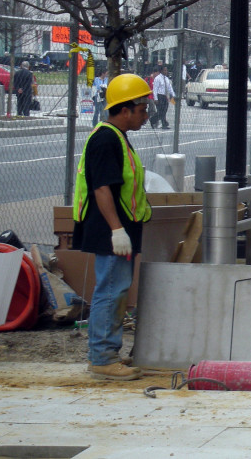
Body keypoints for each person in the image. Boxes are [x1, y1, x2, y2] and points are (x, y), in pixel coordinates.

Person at [72, 73, 152, 381]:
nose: (146, 116)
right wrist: (117, 230)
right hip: (111, 231)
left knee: (115, 289)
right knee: (110, 290)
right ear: (124, 109)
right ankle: (103, 358)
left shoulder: (116, 136)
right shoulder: (106, 139)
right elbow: (102, 188)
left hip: (119, 231)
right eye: (142, 109)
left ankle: (106, 354)